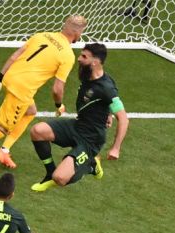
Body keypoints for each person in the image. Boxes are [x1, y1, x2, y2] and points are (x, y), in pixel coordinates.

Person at [0, 15, 87, 173]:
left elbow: (15, 55)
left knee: (30, 111)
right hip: (21, 89)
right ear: (78, 34)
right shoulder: (67, 55)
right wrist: (58, 105)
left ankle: (4, 151)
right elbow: (57, 89)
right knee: (0, 128)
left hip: (11, 77)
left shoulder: (42, 35)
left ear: (64, 26)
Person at [29, 43, 129, 192]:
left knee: (60, 178)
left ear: (95, 62)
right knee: (37, 131)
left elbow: (124, 118)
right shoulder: (88, 74)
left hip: (91, 138)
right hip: (77, 125)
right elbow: (107, 102)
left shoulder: (106, 88)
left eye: (84, 56)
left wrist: (116, 148)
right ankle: (49, 172)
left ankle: (91, 165)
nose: (79, 59)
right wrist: (108, 113)